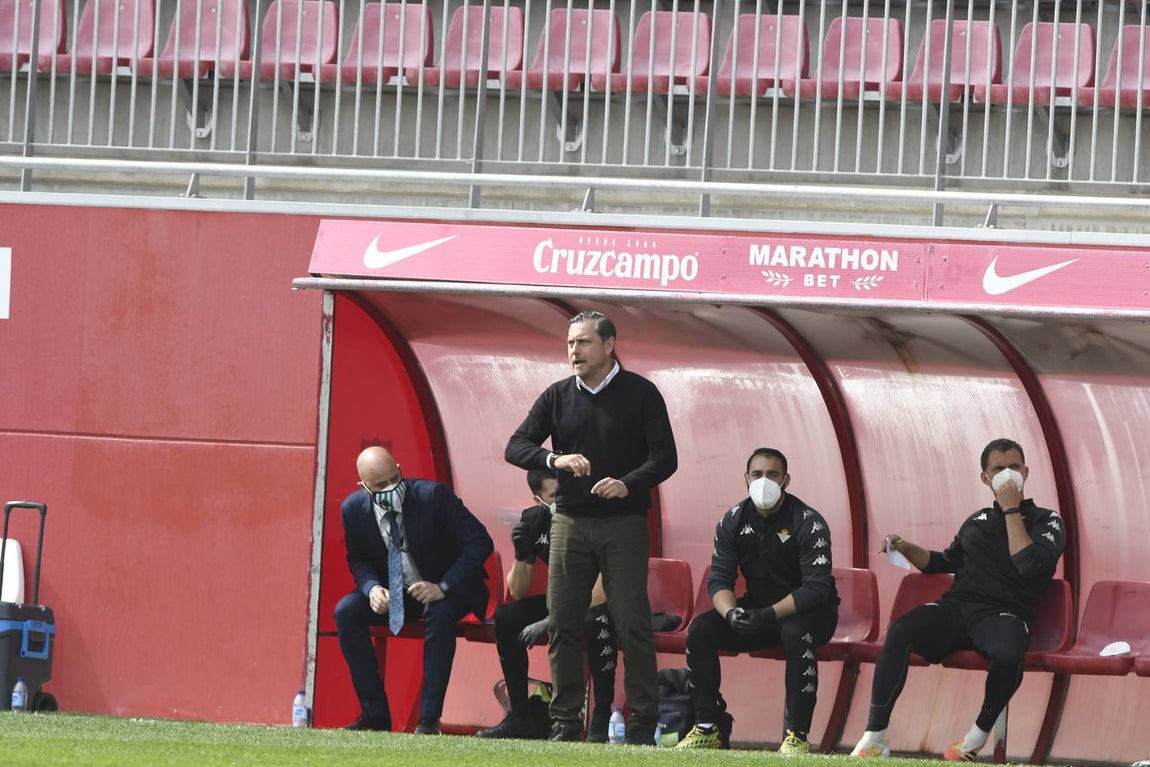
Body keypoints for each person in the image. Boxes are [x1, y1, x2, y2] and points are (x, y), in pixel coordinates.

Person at [504, 310, 678, 745]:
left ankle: (641, 725)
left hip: (624, 524)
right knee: (561, 621)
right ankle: (564, 724)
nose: (573, 351)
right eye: (569, 344)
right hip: (569, 522)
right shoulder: (557, 395)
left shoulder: (642, 393)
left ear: (608, 344)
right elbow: (516, 445)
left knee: (631, 622)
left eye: (582, 342)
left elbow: (665, 458)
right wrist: (553, 459)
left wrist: (628, 483)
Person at [851, 438, 1067, 761]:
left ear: (1026, 471)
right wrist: (908, 547)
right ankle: (875, 736)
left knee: (1009, 653)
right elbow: (944, 562)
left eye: (1014, 467)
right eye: (999, 469)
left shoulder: (1048, 521)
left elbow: (1029, 564)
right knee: (901, 630)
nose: (1008, 475)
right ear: (985, 478)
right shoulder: (976, 520)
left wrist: (1011, 510)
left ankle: (974, 738)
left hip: (1004, 614)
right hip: (957, 608)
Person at [676, 448, 839, 754]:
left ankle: (796, 736)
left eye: (773, 475)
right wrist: (731, 614)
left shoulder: (809, 521)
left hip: (811, 613)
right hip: (759, 609)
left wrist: (769, 615)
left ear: (786, 480)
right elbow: (719, 580)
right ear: (746, 479)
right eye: (757, 474)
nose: (764, 481)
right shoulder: (733, 520)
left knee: (794, 631)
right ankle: (708, 727)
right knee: (701, 630)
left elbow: (816, 589)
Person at [335, 446, 494, 734]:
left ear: (399, 469)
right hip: (399, 591)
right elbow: (357, 558)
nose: (390, 489)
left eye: (393, 479)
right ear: (364, 486)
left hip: (448, 588)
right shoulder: (352, 510)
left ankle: (428, 719)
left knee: (439, 611)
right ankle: (375, 715)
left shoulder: (433, 496)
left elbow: (480, 542)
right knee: (346, 612)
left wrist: (442, 586)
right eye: (380, 485)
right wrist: (372, 589)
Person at [476, 469, 620, 742]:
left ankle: (601, 715)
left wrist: (551, 621)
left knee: (593, 620)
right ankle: (520, 716)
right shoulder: (533, 520)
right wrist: (521, 554)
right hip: (562, 600)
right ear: (538, 499)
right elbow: (517, 590)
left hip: (595, 600)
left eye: (566, 492)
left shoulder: (592, 516)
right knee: (507, 617)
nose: (563, 500)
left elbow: (602, 591)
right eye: (555, 496)